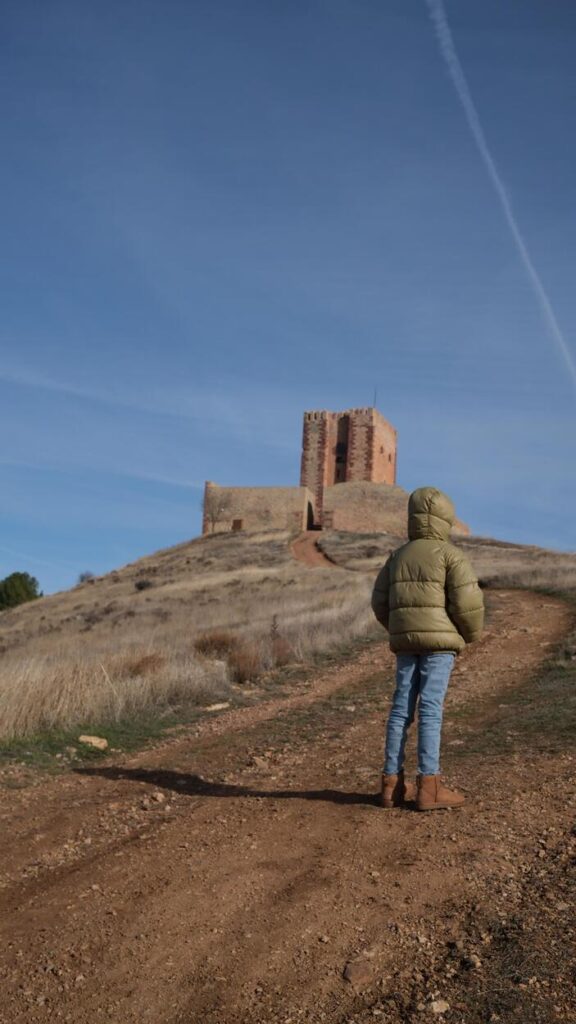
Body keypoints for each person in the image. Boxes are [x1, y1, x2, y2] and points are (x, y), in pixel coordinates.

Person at [371, 486, 484, 811]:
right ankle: (429, 787)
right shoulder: (451, 555)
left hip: (407, 644)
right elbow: (467, 603)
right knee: (431, 709)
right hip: (439, 646)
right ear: (445, 519)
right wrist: (469, 635)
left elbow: (379, 601)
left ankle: (390, 786)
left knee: (400, 710)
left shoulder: (397, 556)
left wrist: (400, 627)